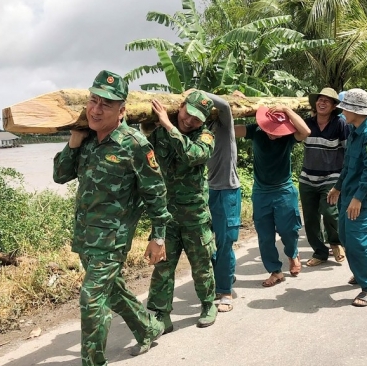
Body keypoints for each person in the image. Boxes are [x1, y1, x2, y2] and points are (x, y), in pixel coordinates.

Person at [52, 70, 169, 365]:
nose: (95, 109)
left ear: (122, 110)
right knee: (112, 291)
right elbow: (60, 175)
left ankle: (93, 362)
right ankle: (148, 328)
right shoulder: (88, 140)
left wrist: (158, 237)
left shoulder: (135, 145)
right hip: (85, 235)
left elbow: (156, 193)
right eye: (93, 100)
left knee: (91, 300)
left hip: (112, 240)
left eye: (106, 104)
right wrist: (74, 140)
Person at [146, 90, 218, 332]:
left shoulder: (205, 136)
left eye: (196, 119)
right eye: (188, 114)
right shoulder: (159, 133)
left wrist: (168, 124)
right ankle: (160, 314)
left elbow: (192, 154)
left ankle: (208, 304)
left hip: (194, 215)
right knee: (163, 267)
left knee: (200, 264)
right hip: (166, 214)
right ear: (181, 106)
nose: (189, 121)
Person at [235, 105, 311, 287]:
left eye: (277, 131)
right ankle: (275, 271)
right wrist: (236, 108)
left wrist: (287, 110)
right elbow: (230, 130)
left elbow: (306, 131)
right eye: (270, 129)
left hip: (284, 190)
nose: (273, 134)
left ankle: (292, 254)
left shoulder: (289, 137)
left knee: (289, 230)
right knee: (265, 235)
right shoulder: (256, 131)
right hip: (261, 192)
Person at [327, 88, 367, 307]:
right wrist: (337, 187)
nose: (342, 111)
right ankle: (365, 269)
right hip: (349, 195)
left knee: (356, 242)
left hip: (362, 198)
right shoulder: (355, 131)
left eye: (345, 108)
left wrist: (358, 198)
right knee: (344, 236)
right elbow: (349, 165)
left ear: (356, 111)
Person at [202, 89, 244, 313]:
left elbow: (225, 106)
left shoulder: (225, 126)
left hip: (228, 191)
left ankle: (225, 291)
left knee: (225, 242)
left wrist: (197, 91)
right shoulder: (201, 129)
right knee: (207, 243)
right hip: (208, 191)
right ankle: (224, 275)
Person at [298, 87, 349, 267]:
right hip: (307, 178)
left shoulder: (340, 124)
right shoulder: (307, 124)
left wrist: (345, 176)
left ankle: (335, 243)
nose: (322, 103)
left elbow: (348, 150)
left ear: (334, 106)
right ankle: (320, 252)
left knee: (329, 213)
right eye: (320, 99)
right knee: (310, 218)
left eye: (327, 101)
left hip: (331, 177)